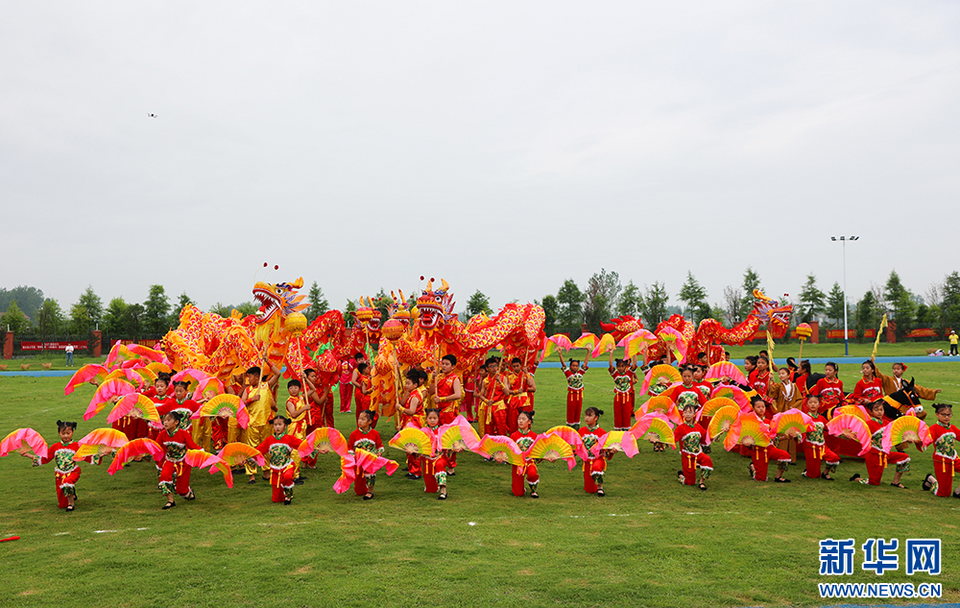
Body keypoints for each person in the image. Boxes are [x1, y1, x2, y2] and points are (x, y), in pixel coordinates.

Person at [29, 420, 98, 511]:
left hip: (73, 471)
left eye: (68, 433)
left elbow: (87, 456)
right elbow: (45, 458)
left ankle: (71, 503)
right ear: (59, 433)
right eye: (63, 433)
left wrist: (102, 454)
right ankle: (71, 494)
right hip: (59, 474)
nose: (66, 436)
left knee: (67, 482)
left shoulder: (77, 446)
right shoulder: (55, 446)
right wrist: (28, 455)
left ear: (72, 433)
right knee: (62, 504)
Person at [849, 400, 912, 488]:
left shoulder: (887, 423)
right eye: (876, 410)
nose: (879, 412)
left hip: (885, 454)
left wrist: (907, 439)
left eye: (881, 410)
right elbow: (859, 435)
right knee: (874, 482)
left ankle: (895, 482)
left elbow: (894, 435)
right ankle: (856, 479)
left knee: (904, 457)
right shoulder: (868, 424)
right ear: (871, 412)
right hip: (874, 455)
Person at [241, 361, 281, 484]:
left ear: (257, 376)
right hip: (252, 424)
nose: (248, 379)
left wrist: (267, 360)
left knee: (267, 448)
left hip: (266, 423)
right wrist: (251, 400)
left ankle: (266, 471)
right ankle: (251, 474)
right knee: (252, 449)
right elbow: (241, 404)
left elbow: (278, 373)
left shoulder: (266, 385)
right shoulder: (248, 390)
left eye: (250, 377)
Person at [156, 411, 201, 509]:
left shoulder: (183, 433)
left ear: (176, 422)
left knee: (182, 490)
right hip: (169, 460)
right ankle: (170, 501)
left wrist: (205, 455)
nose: (165, 423)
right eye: (164, 420)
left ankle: (189, 493)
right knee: (164, 476)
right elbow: (155, 446)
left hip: (183, 462)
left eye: (168, 420)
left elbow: (193, 447)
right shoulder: (163, 434)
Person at [255, 416, 303, 505]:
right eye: (275, 425)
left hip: (287, 466)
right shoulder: (269, 440)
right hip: (275, 470)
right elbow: (258, 451)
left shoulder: (290, 439)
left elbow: (303, 445)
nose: (277, 427)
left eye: (280, 424)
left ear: (285, 426)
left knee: (288, 476)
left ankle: (288, 496)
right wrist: (246, 457)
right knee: (276, 499)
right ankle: (283, 494)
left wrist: (317, 448)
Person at [744, 396, 792, 483]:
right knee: (761, 478)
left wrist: (785, 437)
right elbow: (746, 438)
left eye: (763, 407)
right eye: (758, 407)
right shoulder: (750, 421)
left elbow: (772, 437)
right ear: (753, 408)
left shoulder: (768, 421)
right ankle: (753, 467)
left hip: (770, 448)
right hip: (758, 450)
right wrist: (747, 444)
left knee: (785, 455)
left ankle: (778, 477)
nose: (761, 409)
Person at [922, 404, 960, 497]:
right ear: (937, 414)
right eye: (944, 414)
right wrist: (918, 441)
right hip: (941, 461)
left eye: (949, 415)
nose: (947, 417)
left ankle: (958, 492)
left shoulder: (953, 428)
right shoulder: (934, 428)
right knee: (944, 494)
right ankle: (931, 480)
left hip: (953, 458)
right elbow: (928, 439)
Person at [799, 394, 839, 481]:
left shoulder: (821, 418)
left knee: (834, 458)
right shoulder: (805, 418)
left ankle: (825, 473)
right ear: (807, 405)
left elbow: (830, 429)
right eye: (810, 402)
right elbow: (800, 432)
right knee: (814, 475)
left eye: (815, 402)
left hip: (823, 446)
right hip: (811, 447)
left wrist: (843, 433)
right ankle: (808, 471)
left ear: (819, 405)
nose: (813, 404)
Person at [674, 403, 712, 490]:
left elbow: (706, 436)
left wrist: (719, 431)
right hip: (687, 456)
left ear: (694, 414)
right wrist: (659, 439)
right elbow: (672, 439)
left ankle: (702, 482)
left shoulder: (698, 426)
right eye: (685, 412)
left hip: (698, 453)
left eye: (690, 412)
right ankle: (681, 476)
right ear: (683, 414)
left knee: (707, 460)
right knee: (690, 483)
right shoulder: (680, 428)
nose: (687, 414)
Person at [348, 410, 384, 500]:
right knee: (359, 489)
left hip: (370, 459)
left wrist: (378, 452)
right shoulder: (354, 434)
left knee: (370, 474)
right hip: (358, 460)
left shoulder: (375, 434)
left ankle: (370, 491)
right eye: (359, 418)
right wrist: (352, 455)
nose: (360, 421)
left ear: (370, 422)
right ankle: (363, 489)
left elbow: (380, 446)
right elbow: (350, 448)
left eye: (363, 419)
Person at [399, 368, 427, 480]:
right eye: (406, 383)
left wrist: (400, 408)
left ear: (415, 384)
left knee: (414, 447)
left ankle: (416, 471)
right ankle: (411, 469)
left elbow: (412, 411)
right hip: (410, 421)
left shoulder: (415, 396)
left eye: (408, 383)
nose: (406, 386)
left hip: (415, 422)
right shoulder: (411, 394)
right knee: (408, 446)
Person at [578, 407, 609, 496]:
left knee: (596, 467)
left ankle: (600, 487)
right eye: (586, 415)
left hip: (598, 459)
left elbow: (606, 451)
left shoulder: (602, 432)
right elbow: (578, 447)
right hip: (587, 461)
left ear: (596, 418)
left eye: (590, 415)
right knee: (590, 490)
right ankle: (593, 485)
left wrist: (611, 451)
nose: (586, 418)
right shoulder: (581, 431)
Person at [509, 410, 540, 498]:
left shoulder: (534, 436)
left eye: (523, 419)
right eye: (519, 419)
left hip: (529, 462)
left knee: (532, 473)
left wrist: (548, 458)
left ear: (529, 422)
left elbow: (539, 452)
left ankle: (533, 491)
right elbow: (509, 451)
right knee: (518, 493)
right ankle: (518, 487)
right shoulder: (513, 436)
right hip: (517, 464)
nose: (521, 421)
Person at [420, 409, 449, 499]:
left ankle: (443, 491)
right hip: (427, 460)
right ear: (426, 419)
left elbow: (450, 445)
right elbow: (419, 448)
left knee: (439, 464)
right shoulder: (423, 431)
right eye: (430, 418)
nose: (432, 420)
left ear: (438, 419)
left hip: (440, 457)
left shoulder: (442, 431)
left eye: (435, 418)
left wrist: (456, 448)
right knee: (430, 489)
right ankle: (433, 487)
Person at [477, 358, 510, 436]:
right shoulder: (485, 380)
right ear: (487, 368)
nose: (494, 368)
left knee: (501, 428)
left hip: (499, 407)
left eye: (495, 366)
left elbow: (507, 393)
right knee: (488, 429)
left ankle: (502, 445)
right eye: (491, 366)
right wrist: (486, 401)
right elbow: (481, 394)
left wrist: (500, 383)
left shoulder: (502, 378)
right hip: (489, 407)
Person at [558, 351, 589, 429]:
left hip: (580, 395)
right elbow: (563, 364)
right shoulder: (568, 373)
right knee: (571, 411)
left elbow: (585, 363)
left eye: (576, 366)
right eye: (573, 365)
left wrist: (588, 351)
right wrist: (560, 354)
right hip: (572, 395)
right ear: (570, 366)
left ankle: (577, 427)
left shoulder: (580, 373)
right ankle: (570, 427)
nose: (575, 367)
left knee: (578, 411)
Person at [506, 357, 536, 435]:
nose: (516, 368)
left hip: (524, 401)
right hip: (513, 401)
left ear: (521, 365)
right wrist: (516, 391)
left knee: (525, 418)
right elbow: (507, 391)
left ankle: (526, 435)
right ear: (512, 367)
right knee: (513, 420)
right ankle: (514, 435)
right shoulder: (509, 377)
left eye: (517, 366)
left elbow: (531, 385)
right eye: (514, 366)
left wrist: (526, 373)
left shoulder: (526, 375)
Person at [608, 353, 635, 432]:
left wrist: (635, 353)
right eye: (619, 366)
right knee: (618, 414)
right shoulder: (615, 374)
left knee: (627, 414)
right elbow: (610, 365)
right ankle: (618, 430)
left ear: (626, 366)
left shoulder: (629, 373)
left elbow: (634, 364)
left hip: (627, 397)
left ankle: (626, 431)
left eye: (622, 366)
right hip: (618, 397)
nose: (620, 368)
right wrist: (611, 353)